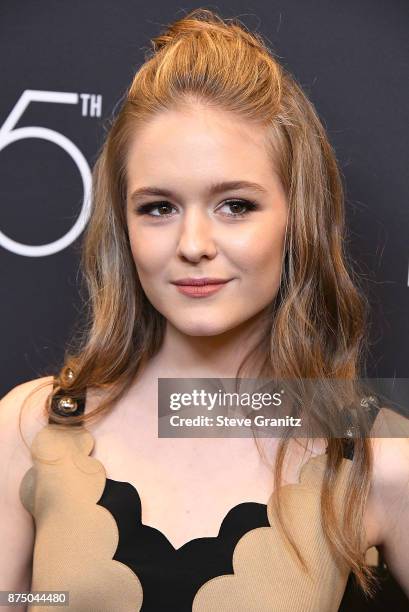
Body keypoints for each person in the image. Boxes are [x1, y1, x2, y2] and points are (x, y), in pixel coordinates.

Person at [1, 8, 408, 612]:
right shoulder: (31, 428)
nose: (193, 244)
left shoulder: (379, 459)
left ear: (298, 219)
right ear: (124, 226)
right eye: (159, 207)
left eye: (235, 205)